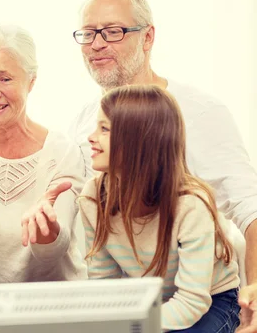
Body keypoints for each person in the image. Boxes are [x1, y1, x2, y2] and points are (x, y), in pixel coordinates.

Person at [68, 0, 257, 331]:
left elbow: (251, 210)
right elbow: (101, 260)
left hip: (204, 296)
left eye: (112, 31)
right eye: (89, 33)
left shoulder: (201, 113)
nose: (96, 44)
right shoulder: (83, 125)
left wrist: (256, 295)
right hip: (146, 298)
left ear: (148, 37)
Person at [79, 85, 240, 332]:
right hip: (150, 301)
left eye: (104, 129)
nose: (91, 137)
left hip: (211, 301)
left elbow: (192, 301)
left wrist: (133, 326)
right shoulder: (93, 198)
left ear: (138, 141)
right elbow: (105, 285)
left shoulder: (190, 206)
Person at [0, 24, 87, 285]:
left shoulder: (62, 151)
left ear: (31, 81)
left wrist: (47, 228)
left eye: (5, 79)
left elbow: (53, 251)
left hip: (58, 309)